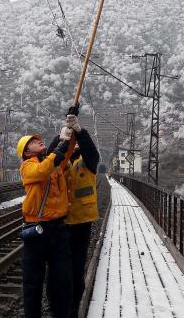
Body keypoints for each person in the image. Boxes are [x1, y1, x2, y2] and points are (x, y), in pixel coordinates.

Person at [17, 125, 73, 318]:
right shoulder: (28, 166)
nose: (38, 141)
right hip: (37, 230)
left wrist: (68, 133)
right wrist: (57, 148)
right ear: (26, 151)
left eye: (38, 139)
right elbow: (42, 171)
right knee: (32, 282)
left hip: (58, 229)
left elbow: (65, 154)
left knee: (62, 279)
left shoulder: (53, 163)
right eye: (33, 142)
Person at [57, 114, 100, 318]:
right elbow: (48, 157)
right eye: (70, 140)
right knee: (60, 270)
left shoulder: (88, 161)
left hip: (82, 223)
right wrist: (60, 139)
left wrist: (81, 132)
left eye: (74, 140)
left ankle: (74, 308)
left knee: (76, 269)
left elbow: (93, 153)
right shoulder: (60, 160)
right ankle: (62, 307)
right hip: (61, 222)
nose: (73, 143)